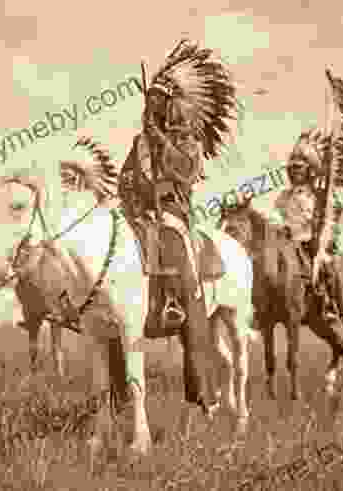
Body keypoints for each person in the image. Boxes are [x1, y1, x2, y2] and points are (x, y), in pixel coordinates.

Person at [117, 39, 240, 413]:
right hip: (137, 214)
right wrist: (130, 190)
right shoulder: (141, 142)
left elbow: (184, 175)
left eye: (158, 100)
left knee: (173, 250)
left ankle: (176, 306)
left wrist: (159, 143)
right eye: (149, 100)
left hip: (173, 216)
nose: (152, 107)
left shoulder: (188, 141)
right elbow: (125, 176)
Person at [273, 128, 343, 321]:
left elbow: (335, 215)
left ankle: (331, 304)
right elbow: (280, 219)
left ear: (309, 170)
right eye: (292, 168)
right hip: (290, 242)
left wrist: (323, 233)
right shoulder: (283, 197)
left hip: (313, 242)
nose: (294, 171)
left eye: (299, 168)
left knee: (324, 265)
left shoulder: (319, 195)